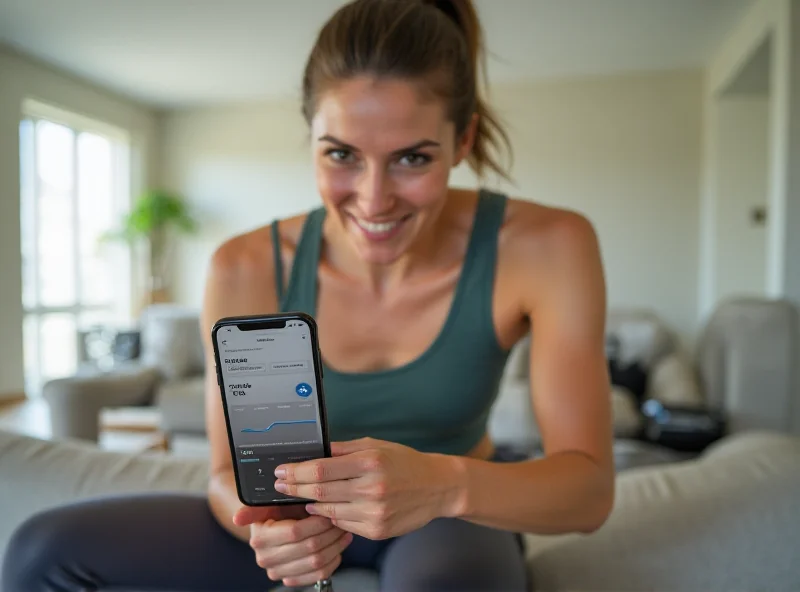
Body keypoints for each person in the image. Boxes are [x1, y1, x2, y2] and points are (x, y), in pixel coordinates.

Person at [1, 0, 614, 590]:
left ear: (462, 141)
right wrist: (269, 530)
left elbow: (588, 493)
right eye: (341, 155)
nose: (374, 200)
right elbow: (226, 475)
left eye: (412, 158)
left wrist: (443, 485)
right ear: (312, 137)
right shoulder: (245, 267)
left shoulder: (547, 245)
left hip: (448, 515)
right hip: (298, 514)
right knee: (42, 551)